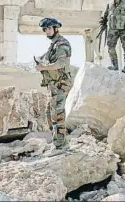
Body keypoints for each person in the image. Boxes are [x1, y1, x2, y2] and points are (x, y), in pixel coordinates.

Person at [35, 17, 73, 156]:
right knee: (49, 113)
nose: (46, 32)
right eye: (45, 29)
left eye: (48, 28)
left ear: (56, 28)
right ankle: (59, 141)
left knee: (57, 114)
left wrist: (43, 67)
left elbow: (60, 64)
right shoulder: (53, 45)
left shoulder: (62, 44)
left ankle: (60, 145)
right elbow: (47, 58)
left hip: (61, 84)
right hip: (54, 85)